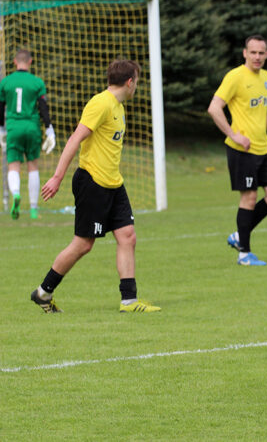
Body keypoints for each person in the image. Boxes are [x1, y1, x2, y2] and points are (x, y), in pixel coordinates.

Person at [30, 59, 160, 314]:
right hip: (92, 182)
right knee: (83, 244)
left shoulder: (118, 107)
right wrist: (57, 177)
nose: (136, 86)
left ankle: (129, 300)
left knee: (127, 236)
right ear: (130, 82)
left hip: (114, 183)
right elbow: (75, 139)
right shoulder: (101, 103)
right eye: (137, 81)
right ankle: (43, 292)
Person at [208, 35, 267, 266]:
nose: (257, 57)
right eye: (253, 52)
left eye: (261, 53)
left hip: (263, 149)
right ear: (245, 53)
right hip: (241, 150)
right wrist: (233, 135)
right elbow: (214, 108)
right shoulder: (235, 77)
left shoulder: (266, 77)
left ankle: (239, 235)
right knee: (250, 197)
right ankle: (244, 254)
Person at [0, 49, 56, 220]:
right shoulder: (37, 82)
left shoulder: (5, 82)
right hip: (32, 127)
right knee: (33, 165)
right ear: (30, 62)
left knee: (13, 165)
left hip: (13, 127)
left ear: (15, 62)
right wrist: (49, 129)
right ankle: (33, 209)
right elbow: (43, 108)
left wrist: (1, 129)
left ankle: (16, 193)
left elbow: (0, 107)